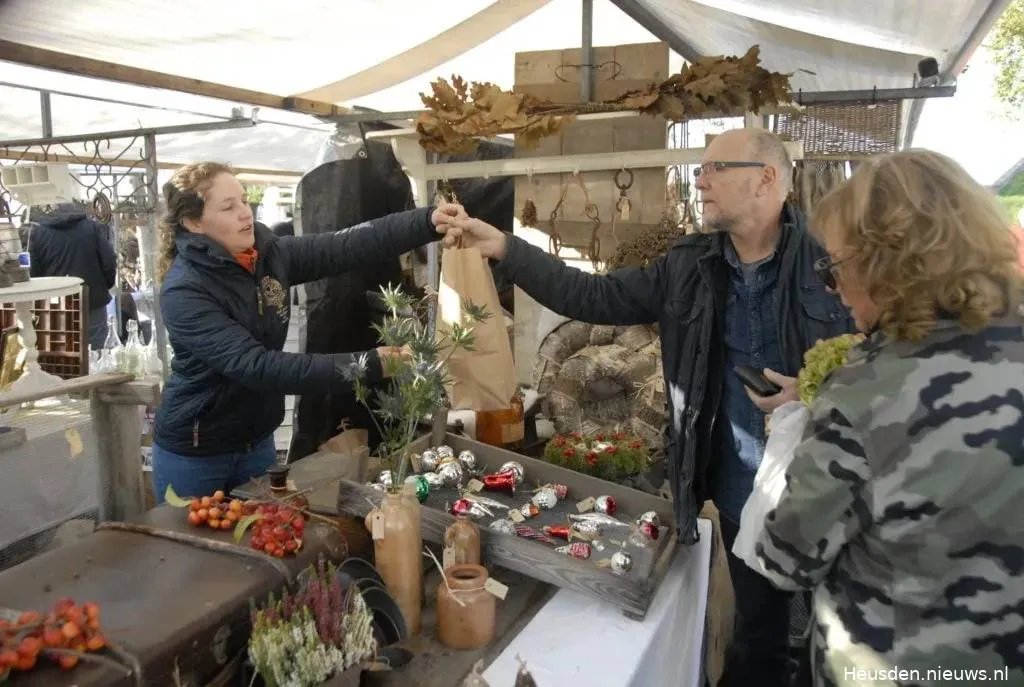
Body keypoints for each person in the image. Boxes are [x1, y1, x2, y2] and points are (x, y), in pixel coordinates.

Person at [441, 128, 855, 686]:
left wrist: (813, 390)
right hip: (741, 492)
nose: (699, 179)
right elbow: (595, 296)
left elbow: (892, 354)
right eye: (699, 168)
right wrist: (507, 249)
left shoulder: (835, 258)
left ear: (767, 179)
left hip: (832, 487)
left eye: (715, 168)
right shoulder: (688, 264)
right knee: (761, 634)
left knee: (842, 637)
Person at [756, 150, 1024, 686]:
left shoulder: (865, 392)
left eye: (834, 268)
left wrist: (797, 444)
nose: (833, 289)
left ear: (882, 263)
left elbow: (788, 558)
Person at [152, 161, 463, 502]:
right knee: (194, 551)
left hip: (256, 442)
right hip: (197, 454)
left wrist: (425, 222)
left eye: (243, 201)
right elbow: (258, 367)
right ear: (193, 222)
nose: (245, 214)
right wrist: (367, 365)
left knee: (258, 541)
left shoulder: (269, 257)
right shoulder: (185, 291)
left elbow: (346, 245)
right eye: (229, 207)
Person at [25, 202, 116, 349]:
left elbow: (34, 273)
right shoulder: (92, 228)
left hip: (57, 305)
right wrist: (104, 285)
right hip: (92, 301)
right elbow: (109, 261)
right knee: (98, 355)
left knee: (64, 357)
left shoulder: (39, 233)